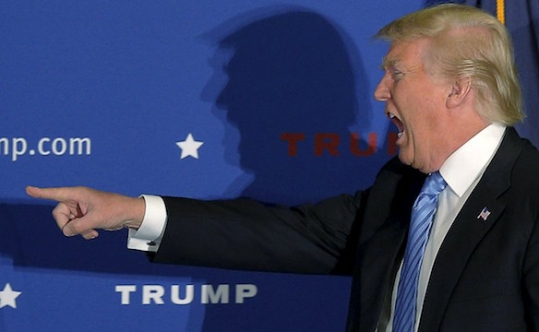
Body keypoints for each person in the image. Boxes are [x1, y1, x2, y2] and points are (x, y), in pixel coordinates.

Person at [26, 4, 539, 331]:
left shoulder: (531, 198)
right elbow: (289, 235)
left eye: (396, 74)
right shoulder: (401, 187)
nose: (380, 92)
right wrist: (130, 211)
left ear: (459, 89)